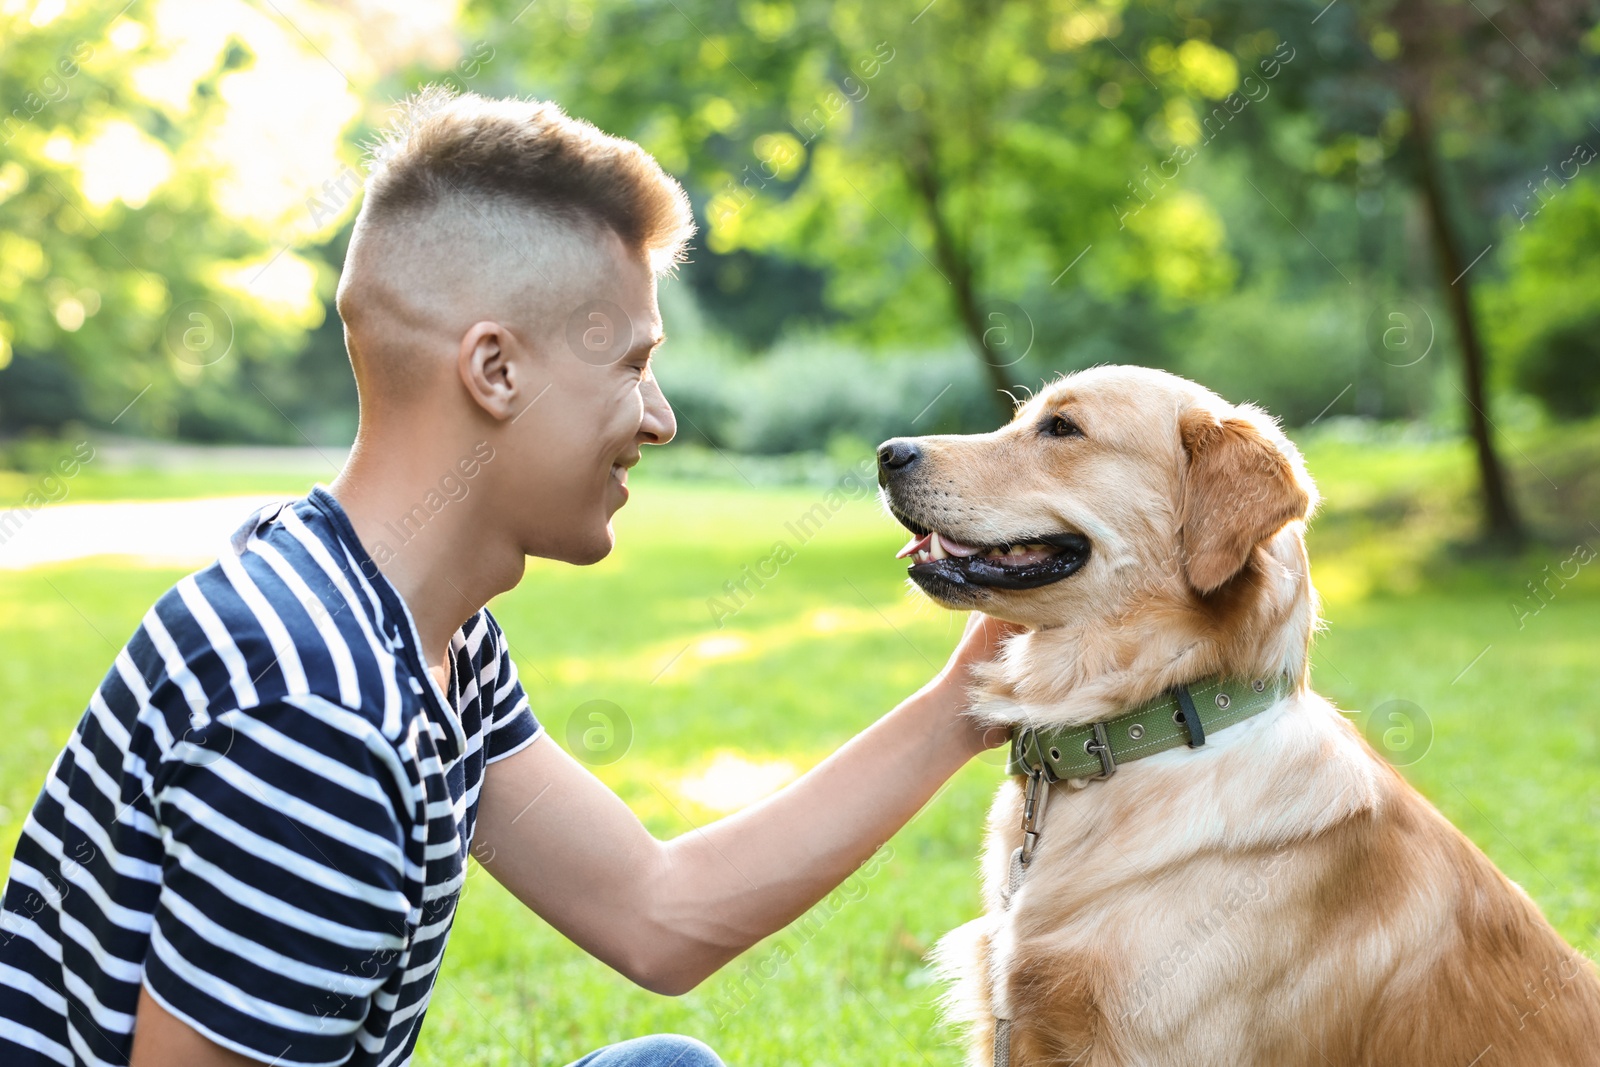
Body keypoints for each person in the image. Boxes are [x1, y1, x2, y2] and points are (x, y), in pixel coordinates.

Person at [0, 89, 1009, 1067]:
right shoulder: (318, 707)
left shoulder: (414, 630)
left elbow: (657, 911)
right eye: (630, 364)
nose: (657, 417)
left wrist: (967, 701)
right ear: (495, 371)